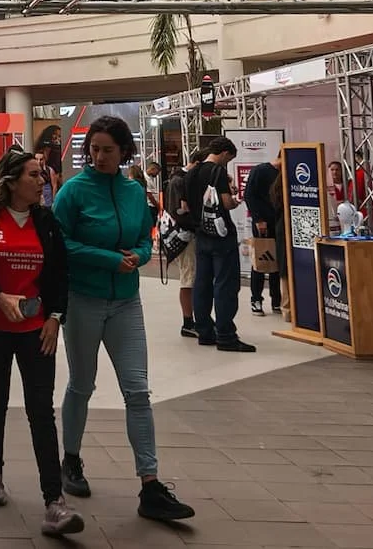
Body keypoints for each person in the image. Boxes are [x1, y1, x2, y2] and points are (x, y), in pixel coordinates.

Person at [52, 116, 194, 523]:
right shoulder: (74, 193)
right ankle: (71, 459)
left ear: (123, 152)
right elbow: (60, 242)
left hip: (126, 303)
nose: (98, 156)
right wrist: (109, 260)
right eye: (93, 149)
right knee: (82, 383)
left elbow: (144, 237)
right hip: (83, 299)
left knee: (138, 390)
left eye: (107, 150)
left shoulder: (134, 192)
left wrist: (140, 257)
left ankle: (150, 484)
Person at [0, 147, 83, 538]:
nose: (41, 182)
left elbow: (60, 274)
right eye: (33, 175)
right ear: (12, 181)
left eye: (42, 175)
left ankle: (54, 502)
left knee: (40, 409)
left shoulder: (45, 221)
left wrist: (55, 318)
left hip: (37, 331)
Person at [183, 136, 255, 353]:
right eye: (229, 158)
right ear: (224, 153)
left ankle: (205, 331)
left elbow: (185, 205)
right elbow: (225, 203)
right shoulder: (218, 172)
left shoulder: (192, 171)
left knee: (202, 284)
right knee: (225, 284)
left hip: (200, 234)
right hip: (221, 235)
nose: (227, 163)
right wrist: (234, 201)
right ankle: (226, 335)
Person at [166, 149, 207, 338]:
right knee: (189, 279)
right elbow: (178, 212)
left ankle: (195, 320)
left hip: (191, 235)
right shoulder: (178, 181)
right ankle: (188, 321)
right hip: (185, 237)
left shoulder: (184, 180)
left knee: (193, 278)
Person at [242, 160, 282, 317]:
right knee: (261, 260)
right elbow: (249, 195)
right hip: (263, 224)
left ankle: (276, 299)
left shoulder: (284, 173)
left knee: (277, 262)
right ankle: (256, 299)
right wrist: (258, 219)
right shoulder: (260, 170)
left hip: (279, 222)